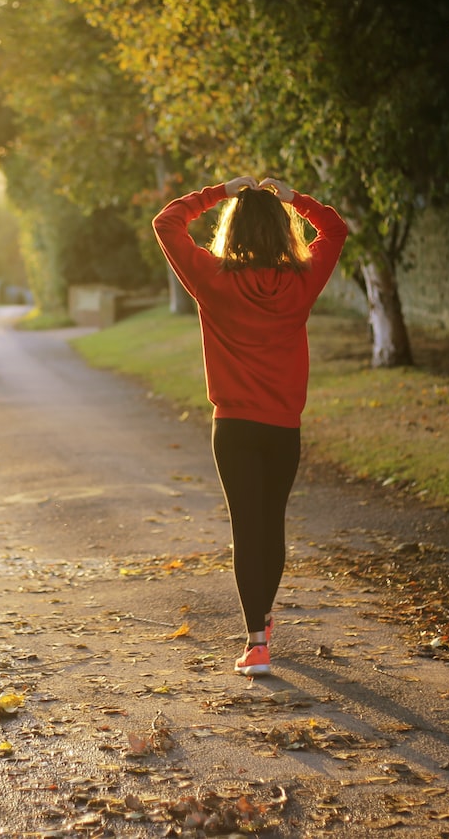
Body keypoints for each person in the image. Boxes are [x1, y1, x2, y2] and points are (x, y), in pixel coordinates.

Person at [152, 175, 349, 676]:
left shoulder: (212, 278)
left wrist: (220, 191)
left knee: (247, 527)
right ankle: (261, 621)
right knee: (272, 524)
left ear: (232, 230)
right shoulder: (302, 280)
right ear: (283, 232)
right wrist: (294, 199)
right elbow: (336, 228)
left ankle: (256, 642)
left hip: (234, 428)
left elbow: (167, 222)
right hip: (283, 427)